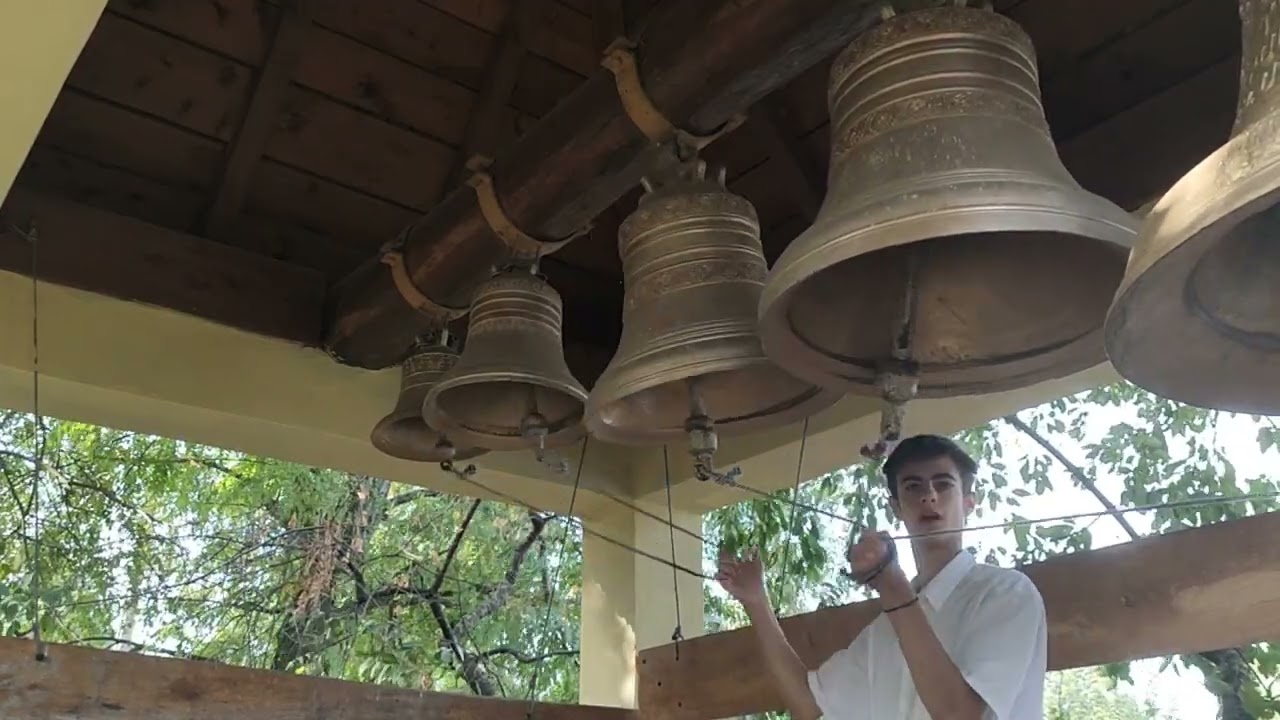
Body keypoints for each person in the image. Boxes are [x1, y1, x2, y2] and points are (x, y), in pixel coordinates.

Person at [716, 434, 1047, 720]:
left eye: (943, 484)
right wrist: (756, 602)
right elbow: (808, 704)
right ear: (896, 507)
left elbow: (959, 715)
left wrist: (890, 583)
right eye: (912, 486)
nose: (928, 496)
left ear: (969, 502)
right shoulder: (884, 630)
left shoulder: (1006, 593)